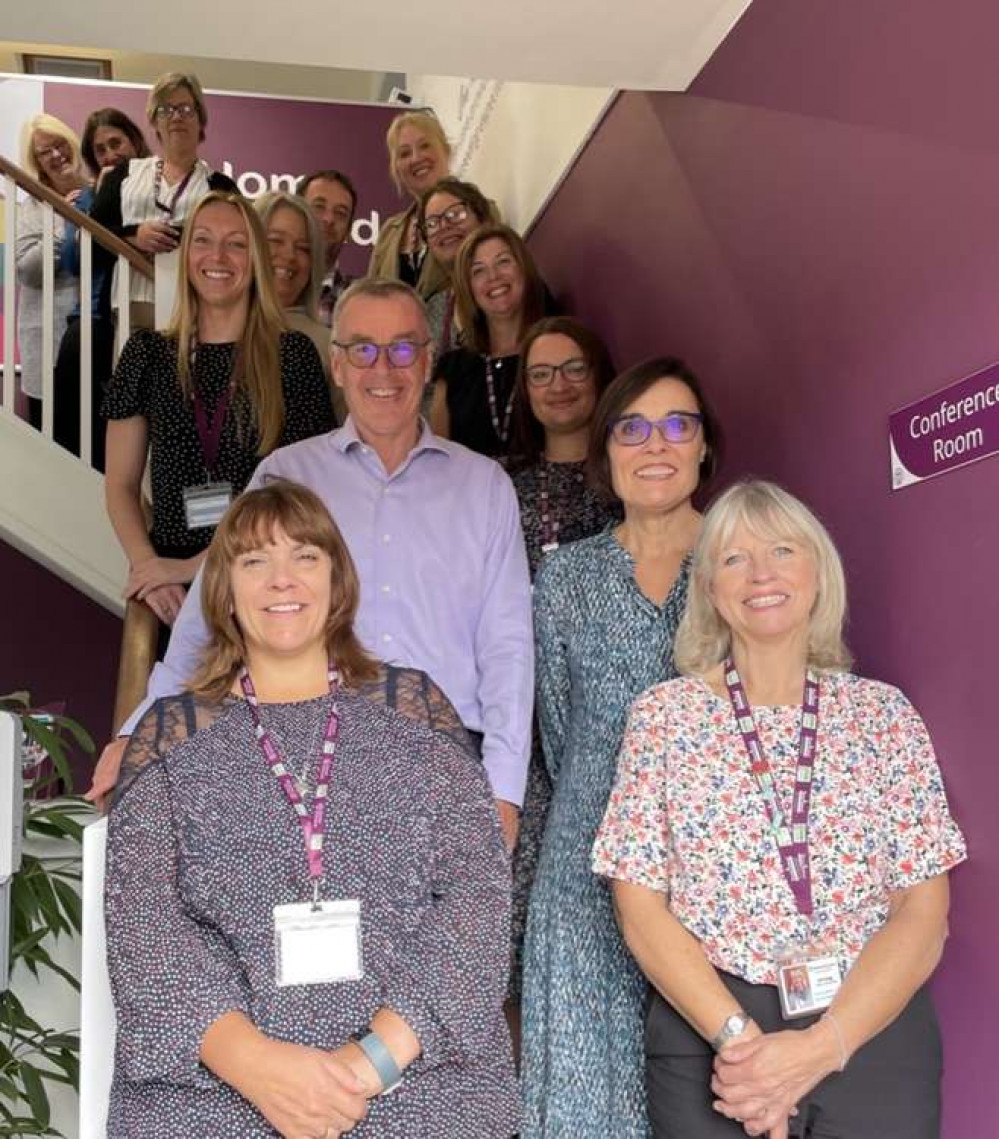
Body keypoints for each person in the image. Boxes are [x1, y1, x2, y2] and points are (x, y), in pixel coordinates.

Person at [105, 478, 520, 1136]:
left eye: (304, 555)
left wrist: (366, 1065)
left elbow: (477, 894)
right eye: (253, 560)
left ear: (337, 578)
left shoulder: (415, 711)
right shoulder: (169, 736)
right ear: (225, 590)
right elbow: (146, 929)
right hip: (217, 1098)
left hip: (417, 1087)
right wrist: (260, 1068)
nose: (281, 580)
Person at [88, 279, 533, 856]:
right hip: (307, 765)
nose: (384, 368)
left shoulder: (484, 486)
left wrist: (502, 792)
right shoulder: (286, 476)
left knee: (435, 945)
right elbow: (208, 623)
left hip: (443, 767)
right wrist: (135, 733)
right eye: (363, 349)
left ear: (426, 363)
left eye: (402, 349)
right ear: (338, 365)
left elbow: (508, 650)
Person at [593, 480, 967, 1139]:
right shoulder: (662, 717)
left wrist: (822, 1046)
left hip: (868, 1028)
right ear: (708, 588)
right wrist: (741, 1044)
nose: (760, 573)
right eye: (733, 558)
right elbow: (639, 906)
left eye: (782, 550)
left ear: (817, 573)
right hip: (713, 1037)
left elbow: (922, 911)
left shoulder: (883, 716)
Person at [520, 357, 723, 1138]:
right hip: (584, 870)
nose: (655, 444)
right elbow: (559, 732)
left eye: (679, 424)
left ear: (704, 445)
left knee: (709, 1087)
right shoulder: (564, 578)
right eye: (631, 428)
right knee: (585, 1098)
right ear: (605, 450)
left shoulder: (742, 560)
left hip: (713, 874)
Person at [102, 191, 334, 630]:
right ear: (187, 254)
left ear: (256, 260)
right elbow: (120, 485)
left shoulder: (293, 356)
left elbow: (301, 495)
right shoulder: (147, 354)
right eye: (203, 240)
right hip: (170, 594)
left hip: (266, 585)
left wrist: (194, 567)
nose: (218, 256)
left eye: (237, 243)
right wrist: (149, 567)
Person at [505, 317, 618, 1010]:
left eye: (573, 368)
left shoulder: (630, 478)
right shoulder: (501, 487)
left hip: (609, 711)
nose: (558, 385)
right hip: (526, 714)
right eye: (541, 373)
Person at [90, 71, 237, 330]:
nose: (176, 116)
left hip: (195, 310)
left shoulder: (221, 186)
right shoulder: (124, 175)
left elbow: (236, 246)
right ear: (154, 121)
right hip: (131, 308)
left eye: (185, 109)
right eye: (165, 110)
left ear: (200, 120)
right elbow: (92, 236)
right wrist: (134, 235)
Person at [53, 108, 151, 468]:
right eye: (100, 150)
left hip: (141, 311)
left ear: (134, 141)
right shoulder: (87, 197)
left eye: (116, 143)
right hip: (96, 316)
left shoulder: (157, 186)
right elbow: (74, 262)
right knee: (78, 345)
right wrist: (99, 199)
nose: (110, 155)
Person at [431, 224, 547, 460]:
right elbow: (438, 462)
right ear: (469, 288)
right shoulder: (452, 369)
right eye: (478, 271)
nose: (493, 277)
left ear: (524, 269)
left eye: (503, 262)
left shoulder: (557, 352)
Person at [15, 113, 89, 430]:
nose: (56, 155)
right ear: (38, 162)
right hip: (46, 349)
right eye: (45, 152)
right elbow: (27, 269)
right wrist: (66, 221)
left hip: (94, 344)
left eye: (59, 145)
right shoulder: (32, 206)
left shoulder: (98, 192)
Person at [254, 190, 345, 422]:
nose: (290, 255)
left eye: (303, 248)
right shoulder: (211, 332)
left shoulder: (331, 347)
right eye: (275, 240)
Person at [367, 110, 453, 295]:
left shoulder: (477, 211)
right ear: (396, 169)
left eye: (425, 146)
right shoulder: (388, 234)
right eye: (405, 153)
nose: (416, 158)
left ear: (446, 150)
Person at [418, 177, 491, 357]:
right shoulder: (431, 310)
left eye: (455, 214)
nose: (444, 226)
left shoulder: (511, 284)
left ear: (483, 220)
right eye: (432, 224)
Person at [298, 168, 357, 325]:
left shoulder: (357, 300)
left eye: (340, 213)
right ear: (296, 213)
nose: (329, 219)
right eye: (318, 207)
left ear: (348, 229)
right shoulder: (261, 289)